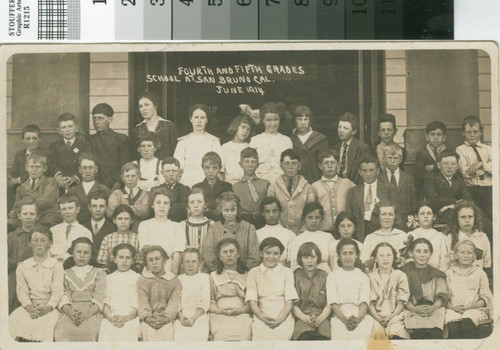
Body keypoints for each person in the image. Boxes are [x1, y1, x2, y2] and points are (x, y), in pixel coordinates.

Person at [9, 225, 63, 342]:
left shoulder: (56, 265)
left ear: (50, 243)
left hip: (50, 308)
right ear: (29, 243)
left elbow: (58, 291)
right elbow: (22, 291)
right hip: (29, 307)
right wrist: (29, 306)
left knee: (44, 328)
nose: (39, 243)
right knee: (12, 322)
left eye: (43, 240)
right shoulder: (23, 266)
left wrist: (48, 307)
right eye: (35, 240)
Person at [54, 237, 106, 341]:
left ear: (91, 255)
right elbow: (63, 296)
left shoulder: (99, 273)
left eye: (86, 252)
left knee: (89, 331)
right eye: (78, 252)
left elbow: (100, 297)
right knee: (65, 332)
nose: (82, 256)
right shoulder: (64, 273)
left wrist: (86, 315)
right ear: (72, 253)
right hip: (70, 311)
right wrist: (71, 314)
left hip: (92, 311)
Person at [246, 237, 299, 341]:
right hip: (261, 315)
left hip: (283, 315)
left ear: (280, 255)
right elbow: (252, 301)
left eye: (275, 253)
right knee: (260, 338)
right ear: (261, 253)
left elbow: (289, 300)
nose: (271, 257)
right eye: (268, 253)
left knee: (282, 337)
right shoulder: (253, 272)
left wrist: (281, 319)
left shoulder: (287, 272)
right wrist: (263, 318)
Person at [401, 238, 448, 339]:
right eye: (418, 251)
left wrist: (433, 307)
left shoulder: (438, 274)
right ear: (411, 253)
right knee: (418, 335)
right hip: (412, 310)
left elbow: (442, 294)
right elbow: (402, 296)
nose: (422, 255)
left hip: (434, 309)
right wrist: (414, 308)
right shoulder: (404, 273)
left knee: (435, 334)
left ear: (431, 254)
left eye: (426, 251)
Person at [345, 155, 400, 242]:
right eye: (364, 171)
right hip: (360, 233)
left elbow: (396, 213)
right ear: (359, 172)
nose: (368, 174)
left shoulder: (389, 188)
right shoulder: (353, 191)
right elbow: (349, 215)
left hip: (382, 231)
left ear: (377, 171)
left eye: (371, 170)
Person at [327, 238, 373, 340]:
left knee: (363, 333)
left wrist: (357, 320)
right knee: (342, 335)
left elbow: (364, 302)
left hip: (360, 315)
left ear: (356, 255)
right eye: (344, 253)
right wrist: (345, 320)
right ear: (339, 255)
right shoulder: (332, 276)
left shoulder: (363, 276)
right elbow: (334, 303)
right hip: (339, 316)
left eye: (351, 253)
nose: (348, 257)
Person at [445, 240, 492, 339]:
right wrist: (452, 307)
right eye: (462, 252)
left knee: (467, 323)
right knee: (453, 325)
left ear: (474, 256)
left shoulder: (480, 273)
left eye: (469, 253)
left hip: (473, 309)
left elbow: (485, 298)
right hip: (453, 309)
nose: (466, 255)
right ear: (456, 255)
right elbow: (444, 297)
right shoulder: (449, 273)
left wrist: (470, 307)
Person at [202, 192, 260, 272]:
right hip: (220, 273)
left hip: (243, 273)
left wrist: (242, 269)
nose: (229, 214)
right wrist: (220, 270)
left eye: (232, 210)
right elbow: (208, 254)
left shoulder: (248, 228)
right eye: (226, 210)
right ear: (220, 210)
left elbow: (255, 255)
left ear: (238, 209)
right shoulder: (214, 229)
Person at [209, 238, 253, 341]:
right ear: (220, 257)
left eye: (232, 251)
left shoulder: (248, 275)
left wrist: (239, 311)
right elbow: (210, 302)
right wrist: (220, 311)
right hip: (219, 315)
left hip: (242, 314)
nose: (229, 254)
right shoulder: (212, 276)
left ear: (238, 254)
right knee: (220, 336)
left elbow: (250, 303)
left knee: (244, 335)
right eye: (225, 252)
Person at [455, 115, 492, 233]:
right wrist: (488, 167)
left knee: (493, 218)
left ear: (480, 132)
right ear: (463, 133)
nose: (472, 135)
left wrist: (481, 164)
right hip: (473, 190)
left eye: (475, 131)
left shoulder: (488, 149)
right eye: (468, 132)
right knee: (478, 220)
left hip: (490, 189)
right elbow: (466, 172)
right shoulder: (460, 150)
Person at [137, 245, 181, 341]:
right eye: (150, 260)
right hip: (148, 319)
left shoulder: (174, 280)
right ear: (147, 263)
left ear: (164, 260)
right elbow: (142, 301)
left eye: (157, 259)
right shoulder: (143, 280)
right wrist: (147, 318)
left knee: (167, 334)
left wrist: (167, 318)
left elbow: (174, 303)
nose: (154, 263)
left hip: (167, 319)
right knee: (148, 334)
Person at [138, 187, 185, 275]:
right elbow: (145, 250)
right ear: (152, 205)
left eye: (166, 203)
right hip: (149, 271)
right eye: (158, 202)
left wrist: (171, 276)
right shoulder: (144, 225)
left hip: (169, 270)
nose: (162, 206)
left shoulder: (177, 226)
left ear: (170, 206)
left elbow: (177, 254)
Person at [8, 152, 60, 231]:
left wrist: (27, 202)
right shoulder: (21, 188)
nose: (34, 170)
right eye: (32, 166)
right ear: (26, 168)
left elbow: (46, 200)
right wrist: (13, 213)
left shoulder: (51, 181)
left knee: (46, 226)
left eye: (38, 167)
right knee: (9, 225)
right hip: (26, 216)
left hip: (45, 215)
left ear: (44, 168)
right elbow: (17, 205)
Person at [368, 242, 410, 339]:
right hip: (375, 316)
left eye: (389, 255)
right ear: (375, 258)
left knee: (397, 331)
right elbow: (370, 304)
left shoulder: (400, 275)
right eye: (381, 255)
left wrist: (391, 316)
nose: (385, 258)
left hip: (396, 314)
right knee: (377, 334)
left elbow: (401, 303)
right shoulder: (370, 277)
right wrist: (378, 318)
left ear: (394, 257)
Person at [99, 243, 141, 341]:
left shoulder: (137, 278)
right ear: (114, 259)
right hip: (111, 317)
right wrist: (110, 317)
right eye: (121, 257)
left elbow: (136, 304)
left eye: (128, 258)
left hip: (130, 318)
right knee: (106, 329)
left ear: (133, 260)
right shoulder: (108, 278)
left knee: (128, 332)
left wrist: (125, 318)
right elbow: (106, 302)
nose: (124, 261)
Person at [174, 103, 222, 187]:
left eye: (202, 118)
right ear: (190, 119)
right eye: (196, 117)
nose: (199, 121)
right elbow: (177, 168)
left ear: (207, 120)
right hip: (187, 183)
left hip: (208, 184)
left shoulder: (214, 142)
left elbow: (219, 169)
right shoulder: (183, 142)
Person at [268, 149, 315, 234]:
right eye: (286, 164)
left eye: (294, 163)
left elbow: (311, 212)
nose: (290, 167)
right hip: (280, 233)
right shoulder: (273, 187)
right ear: (281, 166)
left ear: (299, 166)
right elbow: (271, 211)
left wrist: (303, 232)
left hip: (302, 233)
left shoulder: (308, 188)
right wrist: (280, 231)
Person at [292, 242, 331, 340]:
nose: (310, 261)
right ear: (300, 259)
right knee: (302, 337)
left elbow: (329, 303)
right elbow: (293, 304)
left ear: (318, 258)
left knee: (325, 337)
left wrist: (320, 318)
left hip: (322, 317)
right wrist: (305, 318)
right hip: (302, 317)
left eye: (313, 257)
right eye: (305, 257)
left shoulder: (325, 276)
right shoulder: (295, 276)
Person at [88, 103, 131, 190]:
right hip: (96, 185)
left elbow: (126, 164)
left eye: (100, 118)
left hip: (118, 185)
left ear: (110, 119)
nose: (96, 122)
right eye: (94, 118)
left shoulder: (121, 139)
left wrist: (118, 182)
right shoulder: (89, 140)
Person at [311, 149, 355, 232]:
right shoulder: (314, 186)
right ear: (320, 166)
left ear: (338, 165)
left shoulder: (348, 184)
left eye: (333, 162)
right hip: (323, 230)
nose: (330, 166)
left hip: (344, 230)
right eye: (326, 163)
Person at [8, 198, 39, 313]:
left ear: (37, 216)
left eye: (32, 214)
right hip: (15, 278)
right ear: (19, 216)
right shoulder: (11, 237)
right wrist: (17, 263)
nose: (28, 217)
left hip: (38, 279)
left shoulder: (43, 235)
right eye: (25, 213)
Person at [423, 150, 472, 225]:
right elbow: (433, 199)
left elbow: (467, 198)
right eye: (445, 164)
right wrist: (455, 202)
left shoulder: (459, 180)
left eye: (453, 164)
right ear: (439, 165)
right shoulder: (431, 178)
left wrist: (453, 206)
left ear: (457, 166)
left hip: (458, 211)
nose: (449, 167)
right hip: (438, 213)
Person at [249, 102, 293, 183]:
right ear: (263, 120)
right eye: (268, 120)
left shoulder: (286, 141)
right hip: (259, 184)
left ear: (280, 119)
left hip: (281, 183)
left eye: (275, 120)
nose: (272, 124)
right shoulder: (255, 140)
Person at [8, 124, 54, 200]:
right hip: (22, 190)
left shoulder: (45, 154)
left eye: (34, 138)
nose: (31, 141)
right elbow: (14, 174)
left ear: (39, 139)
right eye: (28, 139)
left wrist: (19, 180)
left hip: (40, 190)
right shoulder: (19, 155)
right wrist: (15, 181)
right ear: (23, 140)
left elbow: (45, 173)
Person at [174, 248, 210, 341]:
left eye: (194, 261)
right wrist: (180, 317)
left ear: (200, 263)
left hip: (199, 315)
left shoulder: (204, 278)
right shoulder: (178, 279)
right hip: (182, 315)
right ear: (182, 264)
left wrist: (194, 318)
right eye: (187, 262)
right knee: (180, 337)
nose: (190, 265)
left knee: (199, 335)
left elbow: (205, 301)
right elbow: (175, 301)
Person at [49, 113, 91, 192]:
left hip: (78, 183)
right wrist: (58, 176)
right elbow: (51, 163)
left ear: (76, 128)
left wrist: (75, 177)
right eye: (64, 127)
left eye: (70, 126)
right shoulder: (54, 146)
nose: (67, 130)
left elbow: (87, 164)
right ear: (59, 131)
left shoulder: (84, 145)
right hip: (59, 184)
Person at [132, 91, 178, 160]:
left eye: (147, 105)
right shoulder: (137, 129)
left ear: (155, 105)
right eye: (141, 106)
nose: (143, 109)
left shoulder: (169, 127)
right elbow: (135, 156)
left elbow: (175, 152)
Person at [378, 144, 416, 228]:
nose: (392, 161)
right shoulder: (378, 178)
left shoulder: (408, 178)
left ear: (401, 159)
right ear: (383, 159)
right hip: (385, 219)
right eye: (389, 158)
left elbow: (412, 201)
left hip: (403, 219)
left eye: (395, 158)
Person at [289, 202, 334, 273]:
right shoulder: (297, 239)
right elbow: (294, 266)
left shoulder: (328, 237)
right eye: (310, 217)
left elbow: (333, 263)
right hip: (303, 278)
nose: (313, 221)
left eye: (317, 218)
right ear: (304, 218)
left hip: (326, 276)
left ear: (322, 219)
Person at [232, 147, 270, 229]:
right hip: (244, 223)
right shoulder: (235, 187)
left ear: (257, 165)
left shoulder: (265, 184)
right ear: (240, 164)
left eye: (253, 162)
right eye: (246, 162)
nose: (250, 165)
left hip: (262, 222)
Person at [447, 200, 491, 271]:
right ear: (456, 219)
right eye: (463, 217)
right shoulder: (450, 238)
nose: (467, 220)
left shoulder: (482, 237)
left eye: (470, 217)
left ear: (475, 217)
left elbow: (487, 264)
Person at [106, 162, 151, 231]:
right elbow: (110, 213)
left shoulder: (145, 194)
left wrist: (122, 207)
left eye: (133, 176)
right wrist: (136, 208)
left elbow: (146, 212)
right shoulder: (116, 193)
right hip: (119, 231)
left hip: (140, 230)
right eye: (127, 176)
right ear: (122, 178)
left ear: (138, 176)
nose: (130, 179)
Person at [290, 105, 329, 183]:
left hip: (315, 180)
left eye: (306, 119)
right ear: (295, 121)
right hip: (295, 181)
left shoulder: (319, 139)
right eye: (300, 119)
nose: (303, 122)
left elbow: (325, 162)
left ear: (310, 121)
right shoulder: (290, 140)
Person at [49, 195, 93, 263]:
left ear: (77, 209)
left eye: (70, 208)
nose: (67, 212)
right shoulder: (53, 230)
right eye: (64, 209)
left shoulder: (85, 232)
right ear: (60, 211)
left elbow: (86, 254)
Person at [68, 153, 110, 223]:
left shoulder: (104, 190)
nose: (87, 171)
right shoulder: (72, 191)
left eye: (91, 167)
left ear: (96, 169)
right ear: (79, 170)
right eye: (84, 168)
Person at [406, 203, 450, 271]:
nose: (426, 216)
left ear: (434, 216)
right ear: (416, 217)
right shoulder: (411, 235)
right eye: (422, 213)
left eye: (429, 213)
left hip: (435, 274)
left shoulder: (440, 236)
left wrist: (439, 275)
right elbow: (407, 258)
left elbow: (444, 260)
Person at [256, 197, 296, 267]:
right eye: (267, 211)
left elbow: (291, 263)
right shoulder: (256, 234)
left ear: (279, 212)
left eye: (274, 211)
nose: (271, 215)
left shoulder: (290, 235)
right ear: (262, 213)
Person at [333, 112, 371, 184]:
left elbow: (364, 173)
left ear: (354, 131)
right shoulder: (335, 148)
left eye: (345, 128)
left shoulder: (362, 148)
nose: (341, 130)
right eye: (339, 127)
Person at [193, 152, 232, 221]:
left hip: (221, 221)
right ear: (202, 168)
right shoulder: (197, 187)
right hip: (202, 220)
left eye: (214, 168)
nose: (211, 171)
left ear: (220, 168)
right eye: (207, 168)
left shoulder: (227, 187)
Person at [151, 156, 190, 222]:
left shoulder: (185, 189)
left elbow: (183, 210)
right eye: (168, 171)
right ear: (162, 173)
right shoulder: (155, 189)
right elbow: (152, 211)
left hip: (179, 224)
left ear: (179, 172)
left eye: (174, 171)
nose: (171, 174)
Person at [415, 121, 448, 199]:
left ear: (444, 138)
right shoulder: (421, 154)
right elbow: (419, 175)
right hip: (427, 192)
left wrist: (431, 168)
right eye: (432, 134)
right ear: (427, 137)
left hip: (445, 191)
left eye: (439, 134)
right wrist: (437, 167)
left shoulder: (449, 153)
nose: (435, 138)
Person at [81, 191, 117, 260]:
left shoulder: (113, 228)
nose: (98, 209)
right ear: (89, 207)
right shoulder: (82, 226)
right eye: (94, 206)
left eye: (101, 206)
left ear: (106, 207)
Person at [221, 114, 255, 184]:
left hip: (246, 184)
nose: (245, 131)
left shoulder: (250, 147)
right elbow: (221, 172)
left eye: (248, 129)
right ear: (236, 126)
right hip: (229, 184)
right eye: (243, 127)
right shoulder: (225, 147)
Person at [180, 188, 213, 258]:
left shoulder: (212, 225)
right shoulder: (181, 225)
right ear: (187, 206)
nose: (195, 206)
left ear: (206, 204)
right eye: (192, 202)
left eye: (199, 202)